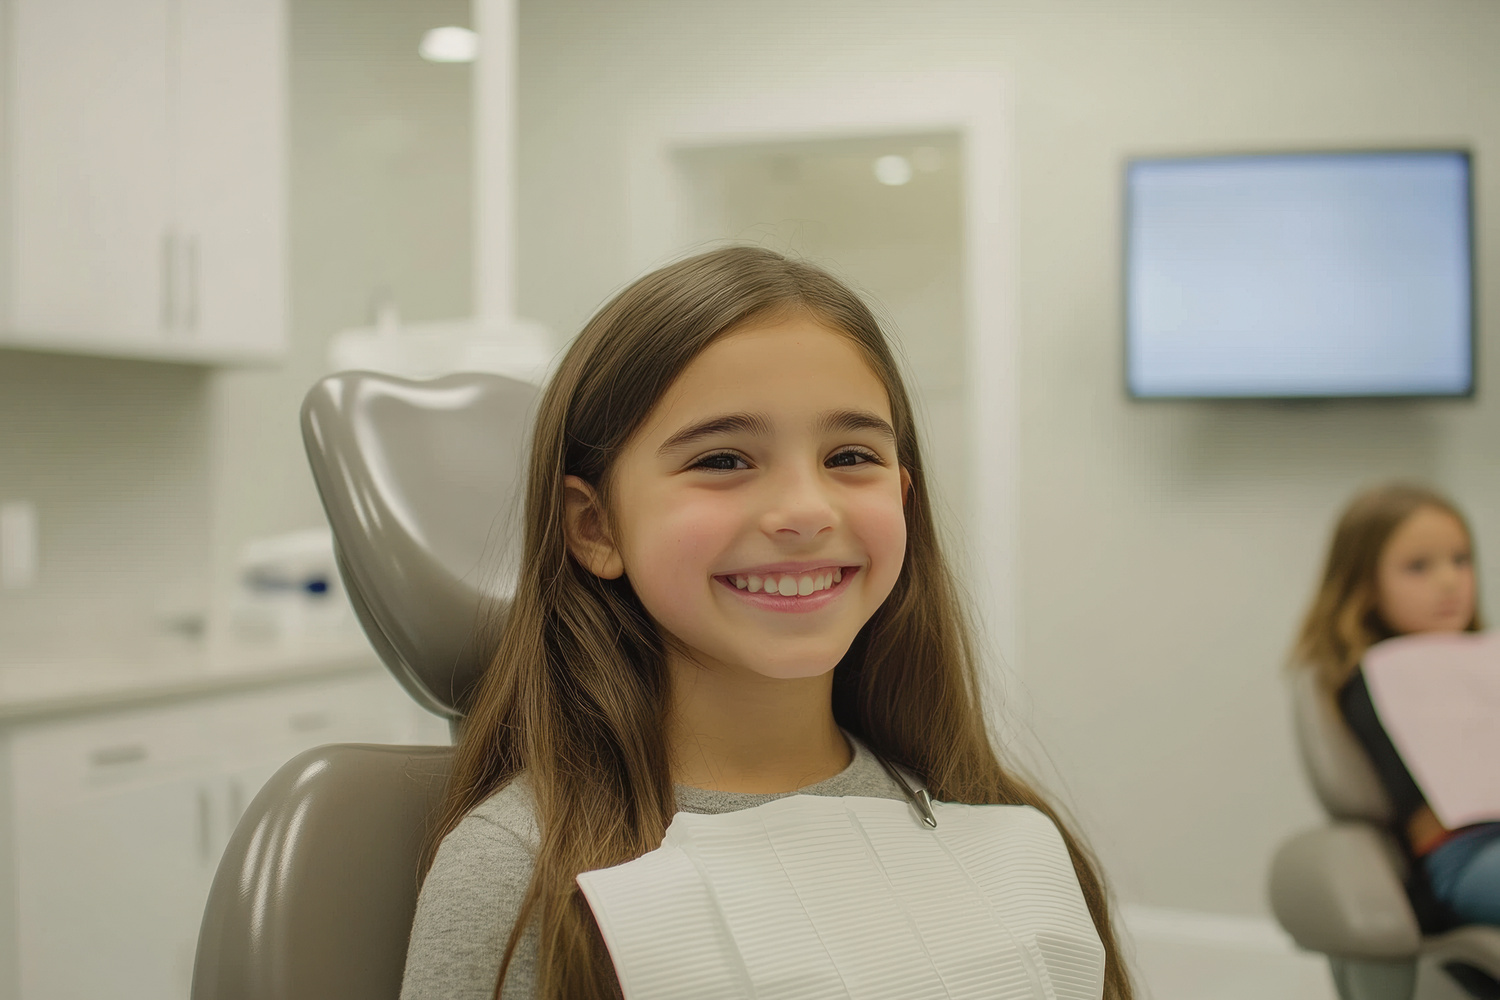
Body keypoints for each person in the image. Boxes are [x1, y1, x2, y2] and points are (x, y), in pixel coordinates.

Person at [399, 246, 1132, 999]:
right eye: (722, 460)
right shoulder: (522, 871)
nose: (807, 511)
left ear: (903, 500)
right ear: (596, 527)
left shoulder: (1013, 838)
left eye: (850, 455)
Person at [1293, 482, 1496, 929]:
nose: (1449, 581)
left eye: (1461, 561)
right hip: (1466, 854)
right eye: (1418, 567)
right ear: (1364, 585)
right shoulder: (1369, 682)